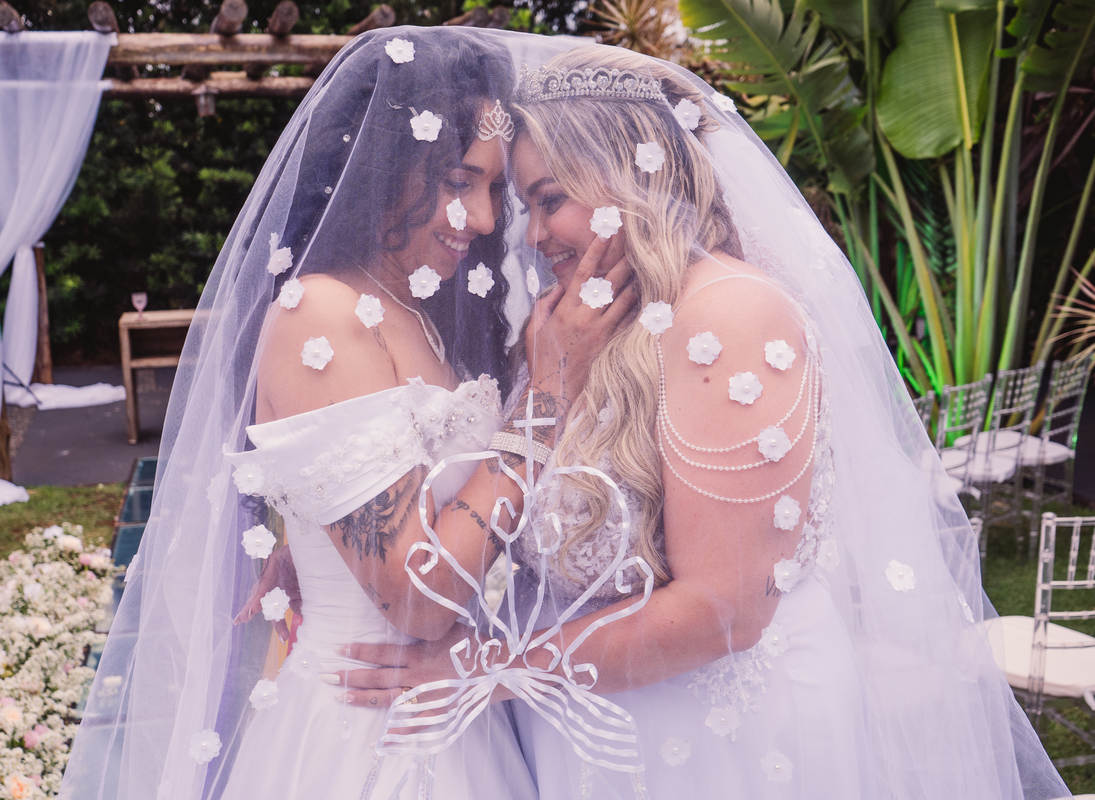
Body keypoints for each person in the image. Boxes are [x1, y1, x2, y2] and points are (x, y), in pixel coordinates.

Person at [337, 44, 1073, 800]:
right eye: (531, 207)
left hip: (721, 745)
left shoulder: (730, 314)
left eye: (549, 200)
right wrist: (321, 521)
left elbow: (723, 608)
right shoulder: (579, 327)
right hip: (589, 728)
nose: (531, 235)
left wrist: (489, 669)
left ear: (630, 176)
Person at [59, 28, 603, 800]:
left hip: (447, 706)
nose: (485, 219)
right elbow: (414, 599)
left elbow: (408, 497)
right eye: (459, 182)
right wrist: (543, 404)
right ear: (382, 169)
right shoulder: (323, 313)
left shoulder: (416, 311)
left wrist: (316, 531)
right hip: (368, 733)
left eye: (493, 190)